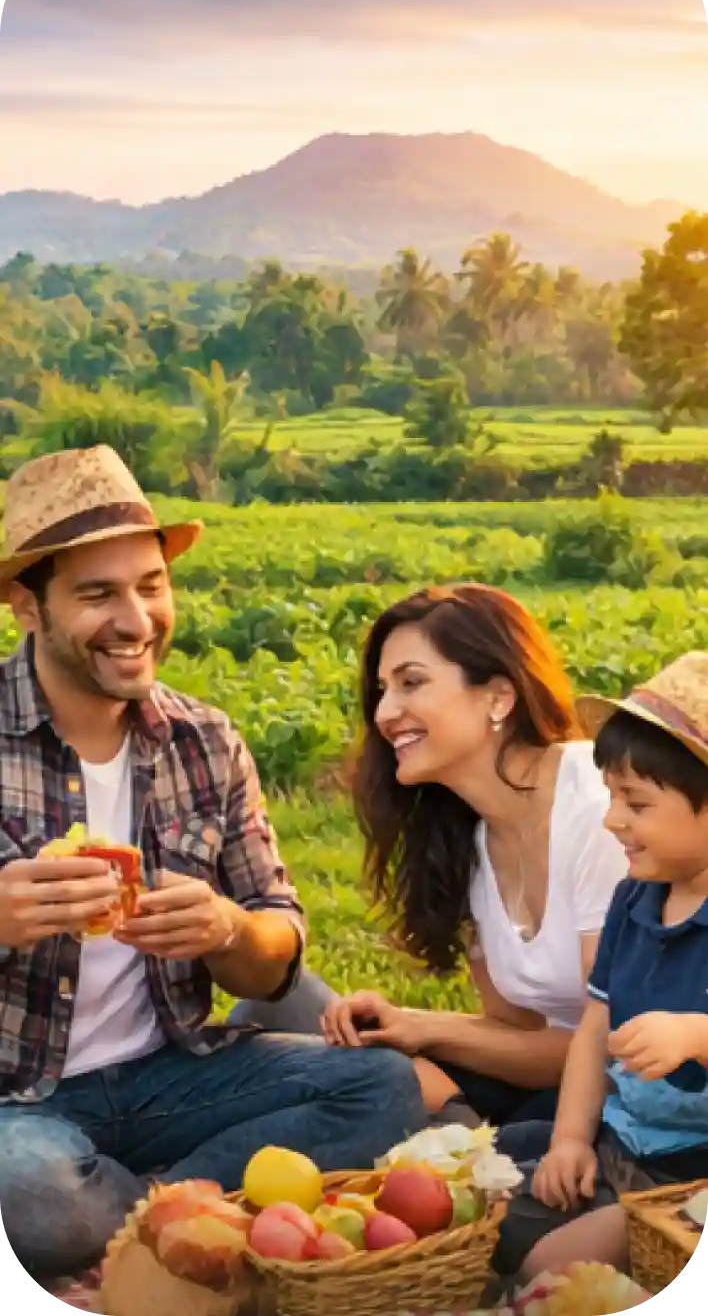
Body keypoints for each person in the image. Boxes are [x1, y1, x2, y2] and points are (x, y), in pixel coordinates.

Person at [0, 446, 427, 1289]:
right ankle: (194, 1206)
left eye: (151, 585)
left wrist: (229, 930)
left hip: (173, 1075)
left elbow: (276, 954)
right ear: (26, 606)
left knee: (383, 1088)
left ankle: (154, 1212)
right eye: (97, 594)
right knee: (30, 1189)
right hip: (20, 1105)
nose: (136, 620)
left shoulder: (204, 740)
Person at [321, 584, 628, 1132]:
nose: (385, 713)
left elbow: (612, 1047)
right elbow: (515, 1036)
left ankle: (461, 1133)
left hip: (635, 1106)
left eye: (411, 682)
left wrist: (426, 1030)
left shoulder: (597, 809)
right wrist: (405, 1027)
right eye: (382, 690)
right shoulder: (468, 837)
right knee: (290, 1018)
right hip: (550, 1086)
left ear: (498, 697)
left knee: (388, 1092)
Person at [492, 652, 708, 1284]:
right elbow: (595, 1026)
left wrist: (697, 1035)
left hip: (691, 1183)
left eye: (636, 803)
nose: (612, 819)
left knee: (546, 1270)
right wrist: (570, 1140)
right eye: (612, 796)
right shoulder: (635, 899)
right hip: (620, 1145)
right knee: (489, 1216)